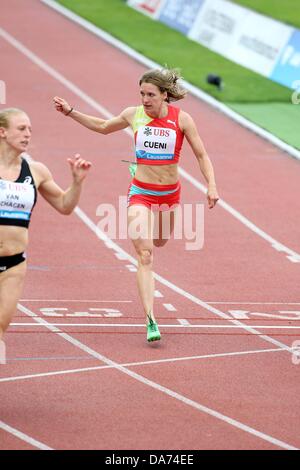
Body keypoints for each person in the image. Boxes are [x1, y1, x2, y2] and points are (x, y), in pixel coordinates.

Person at [53, 67, 219, 343]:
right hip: (140, 191)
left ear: (165, 95)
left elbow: (202, 155)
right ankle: (151, 318)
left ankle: (154, 239)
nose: (145, 99)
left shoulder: (182, 120)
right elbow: (104, 127)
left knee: (161, 241)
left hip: (169, 194)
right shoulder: (134, 115)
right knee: (146, 254)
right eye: (142, 93)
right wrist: (71, 112)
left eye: (151, 94)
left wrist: (211, 184)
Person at [0, 108, 91, 364]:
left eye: (29, 129)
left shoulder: (36, 171)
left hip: (13, 266)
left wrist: (77, 183)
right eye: (21, 129)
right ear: (2, 132)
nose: (28, 134)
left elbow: (65, 206)